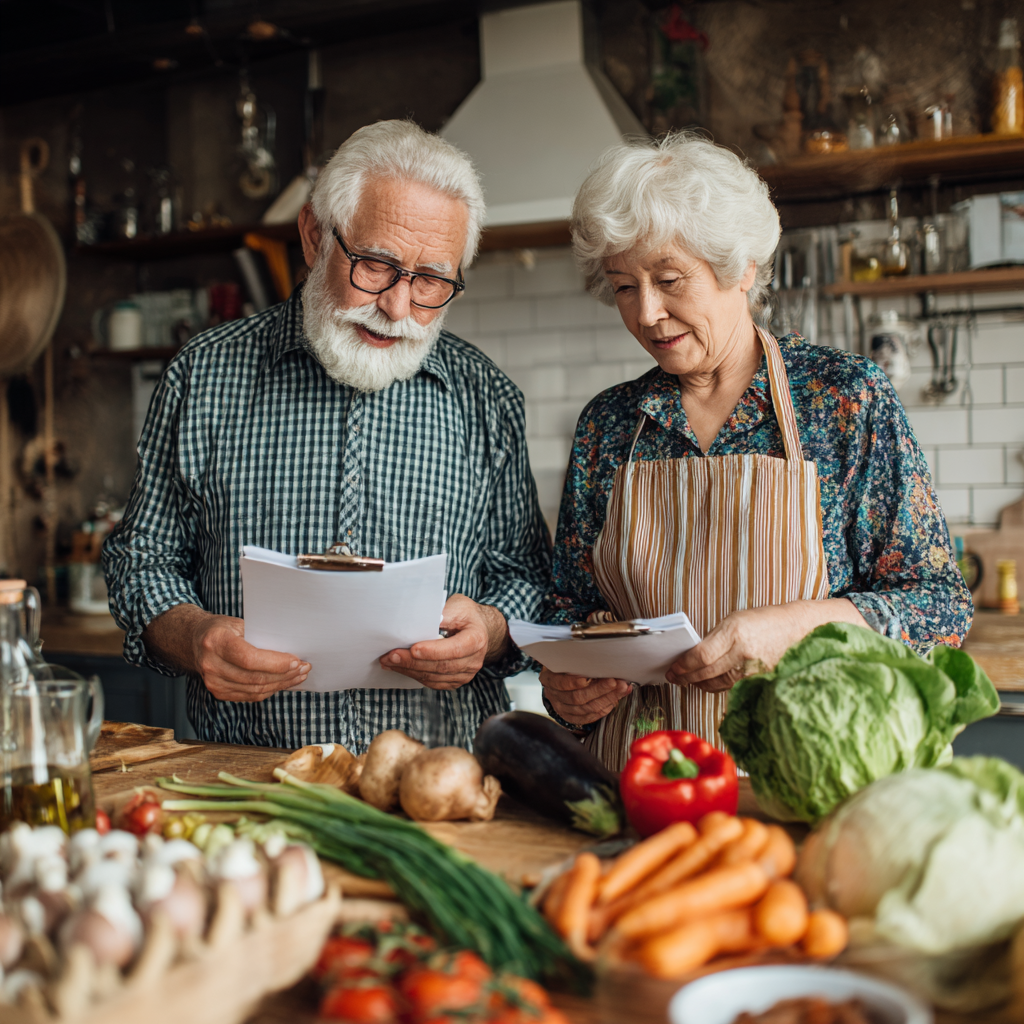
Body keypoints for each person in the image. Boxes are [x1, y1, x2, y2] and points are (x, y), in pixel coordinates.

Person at [103, 119, 550, 751]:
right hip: (250, 784)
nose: (398, 308)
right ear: (315, 235)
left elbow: (525, 573)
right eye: (375, 265)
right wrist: (197, 635)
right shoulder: (202, 375)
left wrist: (492, 629)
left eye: (431, 282)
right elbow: (141, 560)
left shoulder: (486, 397)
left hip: (438, 783)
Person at [541, 132, 972, 770]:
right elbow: (568, 610)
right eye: (624, 287)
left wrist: (799, 627)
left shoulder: (844, 398)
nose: (648, 314)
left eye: (668, 279)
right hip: (644, 784)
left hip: (810, 772)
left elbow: (939, 608)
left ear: (741, 268)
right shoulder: (610, 425)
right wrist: (567, 690)